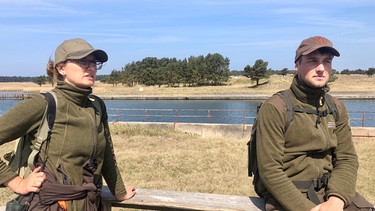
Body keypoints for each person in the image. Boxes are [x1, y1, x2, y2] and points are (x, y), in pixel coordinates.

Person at [0, 38, 136, 210]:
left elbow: (106, 153)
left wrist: (120, 192)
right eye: (82, 61)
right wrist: (17, 183)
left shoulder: (96, 106)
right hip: (52, 205)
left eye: (94, 62)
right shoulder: (43, 104)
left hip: (90, 203)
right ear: (61, 68)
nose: (91, 67)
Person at [254, 36, 374, 211]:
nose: (321, 69)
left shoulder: (335, 107)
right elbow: (270, 170)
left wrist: (336, 200)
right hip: (290, 198)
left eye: (327, 62)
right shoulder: (275, 108)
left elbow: (347, 158)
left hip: (330, 194)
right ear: (297, 65)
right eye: (312, 61)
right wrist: (308, 209)